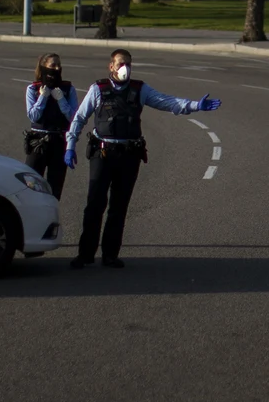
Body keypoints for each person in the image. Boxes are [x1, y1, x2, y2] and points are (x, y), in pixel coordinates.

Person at [63, 48, 221, 268]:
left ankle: (110, 254)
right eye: (120, 63)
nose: (124, 68)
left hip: (129, 155)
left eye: (128, 63)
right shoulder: (98, 89)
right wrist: (70, 145)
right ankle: (85, 254)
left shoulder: (140, 89)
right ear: (111, 66)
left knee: (119, 207)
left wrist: (195, 105)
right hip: (103, 153)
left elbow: (167, 102)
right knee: (95, 204)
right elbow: (79, 118)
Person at [23, 53, 78, 197]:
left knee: (54, 189)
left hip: (59, 142)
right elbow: (33, 115)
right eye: (53, 65)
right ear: (43, 67)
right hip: (38, 142)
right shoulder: (33, 89)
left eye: (59, 65)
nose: (57, 68)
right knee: (31, 186)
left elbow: (73, 117)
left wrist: (61, 100)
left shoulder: (68, 89)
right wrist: (43, 97)